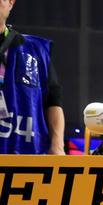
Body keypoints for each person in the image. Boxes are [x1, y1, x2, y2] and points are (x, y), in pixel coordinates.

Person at [0, 0, 65, 154]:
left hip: (26, 157)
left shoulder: (36, 50)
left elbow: (53, 100)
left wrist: (57, 146)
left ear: (11, 2)